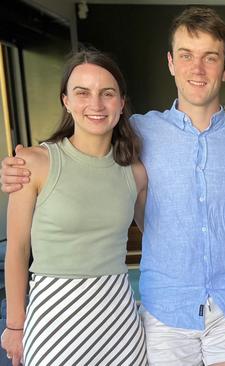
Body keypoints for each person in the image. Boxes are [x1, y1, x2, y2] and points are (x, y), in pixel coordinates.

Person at [1, 7, 225, 365]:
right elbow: (79, 157)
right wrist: (16, 167)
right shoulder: (141, 132)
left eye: (210, 58)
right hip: (161, 308)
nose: (197, 69)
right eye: (186, 55)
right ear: (170, 62)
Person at [0, 50, 147, 366]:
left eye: (107, 94)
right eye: (82, 93)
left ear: (121, 103)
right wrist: (15, 324)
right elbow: (17, 250)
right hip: (54, 318)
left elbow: (161, 234)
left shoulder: (134, 172)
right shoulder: (35, 163)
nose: (95, 104)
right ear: (66, 100)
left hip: (120, 322)